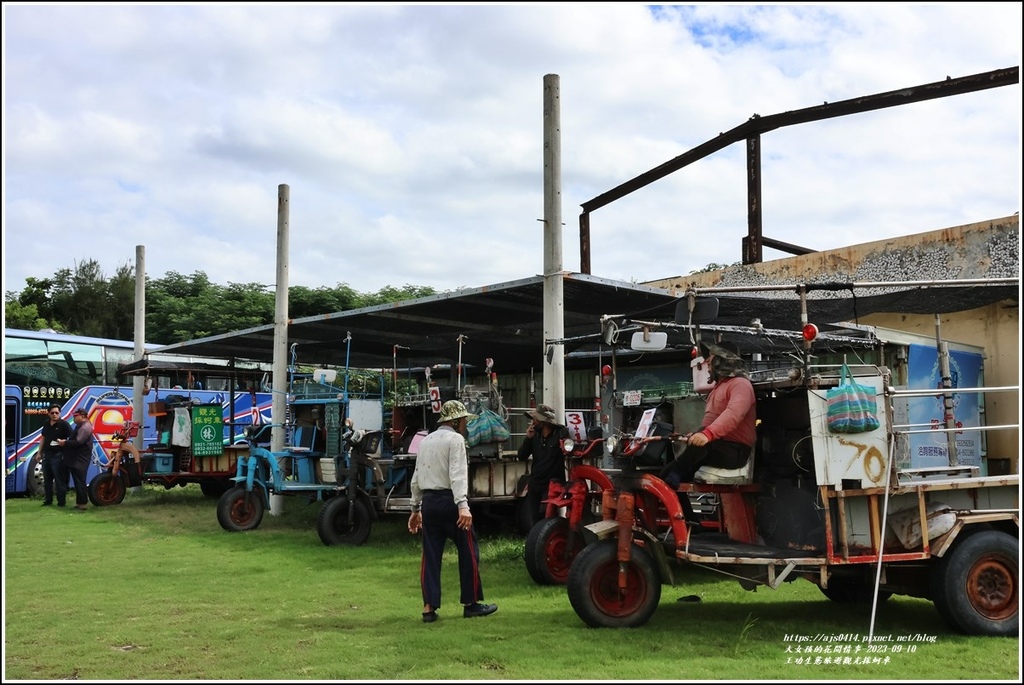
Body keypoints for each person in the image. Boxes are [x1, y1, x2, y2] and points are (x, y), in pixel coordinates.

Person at [408, 400, 497, 623]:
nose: (465, 424)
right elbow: (457, 474)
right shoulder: (456, 440)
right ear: (456, 421)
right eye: (464, 420)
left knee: (430, 555)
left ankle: (429, 608)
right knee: (468, 550)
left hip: (429, 502)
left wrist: (415, 508)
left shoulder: (426, 441)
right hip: (450, 501)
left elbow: (417, 476)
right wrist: (463, 505)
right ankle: (471, 603)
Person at [659, 341, 757, 489]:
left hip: (736, 451)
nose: (706, 362)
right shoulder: (717, 388)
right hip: (716, 445)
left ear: (721, 360)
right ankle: (682, 512)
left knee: (675, 473)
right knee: (665, 475)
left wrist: (707, 434)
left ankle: (677, 474)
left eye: (710, 357)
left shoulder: (740, 384)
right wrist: (696, 436)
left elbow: (733, 414)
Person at [516, 404, 571, 529]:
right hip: (535, 482)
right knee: (534, 518)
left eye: (535, 419)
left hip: (552, 484)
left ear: (543, 421)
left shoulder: (560, 433)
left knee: (547, 515)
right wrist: (528, 439)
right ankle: (536, 544)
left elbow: (569, 451)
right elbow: (521, 456)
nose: (533, 422)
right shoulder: (534, 436)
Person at [58, 408, 94, 511]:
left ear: (82, 416)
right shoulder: (81, 426)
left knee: (80, 481)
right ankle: (79, 503)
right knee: (77, 481)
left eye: (75, 416)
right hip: (76, 458)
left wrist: (65, 443)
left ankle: (82, 504)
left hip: (80, 459)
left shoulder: (85, 427)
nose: (73, 418)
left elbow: (78, 442)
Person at [39, 404, 73, 507]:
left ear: (60, 413)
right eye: (52, 413)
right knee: (47, 479)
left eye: (56, 413)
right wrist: (39, 452)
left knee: (59, 479)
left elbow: (72, 438)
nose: (54, 415)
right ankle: (48, 500)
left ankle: (61, 502)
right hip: (47, 454)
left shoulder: (64, 425)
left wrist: (64, 442)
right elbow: (43, 438)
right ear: (48, 413)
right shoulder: (46, 424)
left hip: (58, 455)